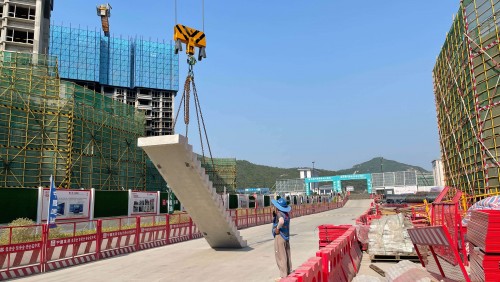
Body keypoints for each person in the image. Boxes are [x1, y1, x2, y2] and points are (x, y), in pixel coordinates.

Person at [271, 197, 292, 279]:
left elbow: (281, 221)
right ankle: (289, 271)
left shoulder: (279, 213)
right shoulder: (286, 214)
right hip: (286, 236)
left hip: (280, 236)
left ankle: (283, 275)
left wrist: (277, 228)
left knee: (280, 255)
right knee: (287, 254)